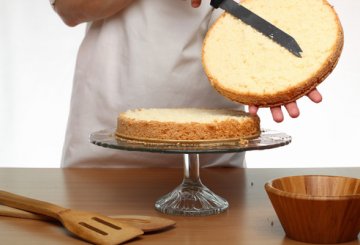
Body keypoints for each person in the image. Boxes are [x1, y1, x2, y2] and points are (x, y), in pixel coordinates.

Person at [51, 0, 322, 168]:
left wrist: (274, 61)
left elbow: (259, 9)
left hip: (213, 164)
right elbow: (70, 7)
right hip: (105, 163)